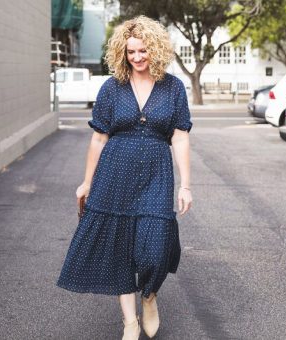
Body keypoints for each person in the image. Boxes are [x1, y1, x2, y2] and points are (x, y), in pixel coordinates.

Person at [56, 15, 193, 340]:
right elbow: (98, 138)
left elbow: (181, 136)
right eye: (131, 52)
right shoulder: (111, 87)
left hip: (157, 175)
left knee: (155, 247)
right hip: (114, 175)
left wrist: (186, 184)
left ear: (155, 50)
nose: (137, 58)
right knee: (119, 247)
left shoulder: (172, 88)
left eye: (143, 51)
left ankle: (149, 295)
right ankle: (129, 321)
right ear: (122, 53)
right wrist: (87, 181)